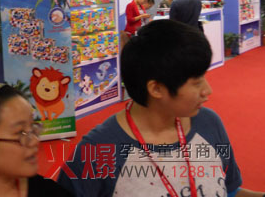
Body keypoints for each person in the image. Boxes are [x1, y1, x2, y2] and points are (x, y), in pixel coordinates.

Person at [58, 20, 264, 197]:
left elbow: (229, 190)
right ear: (156, 89)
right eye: (196, 82)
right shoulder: (95, 152)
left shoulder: (209, 123)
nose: (207, 90)